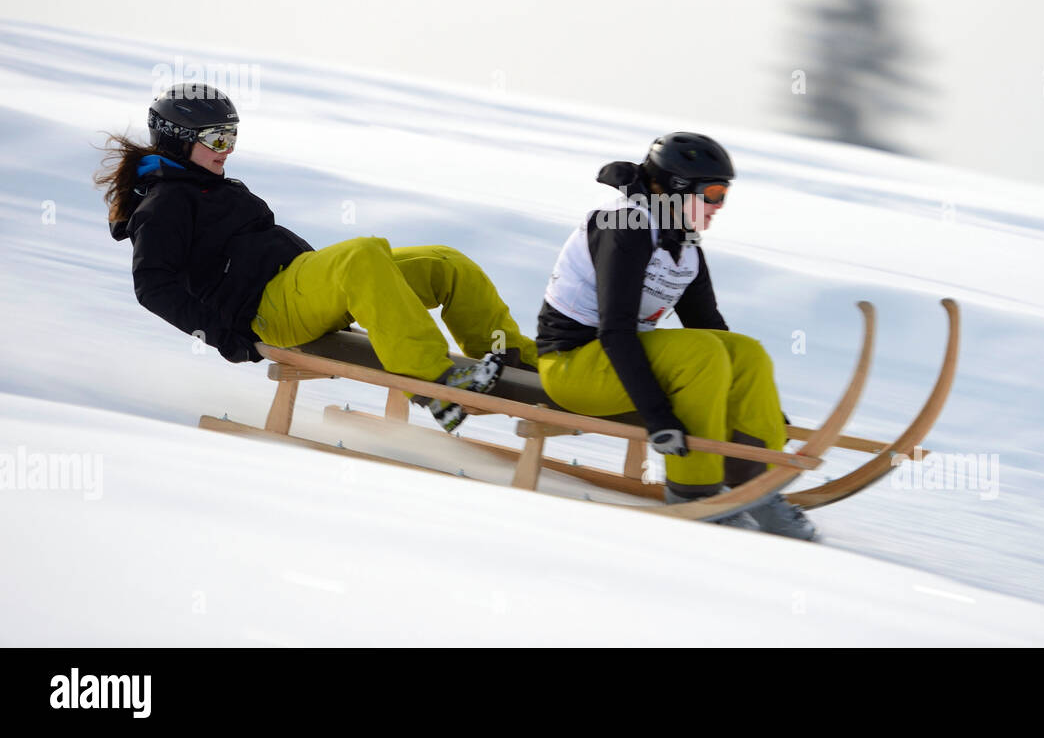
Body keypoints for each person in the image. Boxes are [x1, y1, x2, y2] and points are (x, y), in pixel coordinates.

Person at [95, 82, 536, 431]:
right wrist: (228, 339)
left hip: (298, 285)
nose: (228, 148)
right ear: (178, 139)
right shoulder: (164, 205)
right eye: (217, 138)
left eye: (233, 135)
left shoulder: (206, 184)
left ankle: (515, 358)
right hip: (268, 312)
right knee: (360, 256)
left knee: (444, 263)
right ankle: (436, 385)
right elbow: (153, 286)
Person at [535, 132, 817, 539]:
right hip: (572, 368)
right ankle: (694, 495)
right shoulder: (624, 225)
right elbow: (615, 331)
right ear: (674, 189)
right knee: (702, 354)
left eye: (725, 195)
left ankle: (758, 484)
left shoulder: (682, 246)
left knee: (745, 351)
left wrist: (760, 410)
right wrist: (659, 419)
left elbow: (710, 327)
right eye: (714, 193)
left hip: (614, 368)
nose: (719, 207)